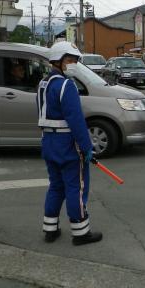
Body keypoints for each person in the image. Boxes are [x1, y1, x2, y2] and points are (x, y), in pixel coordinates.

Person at [38, 41, 102, 246]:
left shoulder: (43, 84)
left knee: (56, 186)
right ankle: (81, 233)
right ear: (57, 61)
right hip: (67, 144)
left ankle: (50, 229)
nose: (73, 63)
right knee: (76, 187)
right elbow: (76, 121)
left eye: (75, 60)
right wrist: (86, 147)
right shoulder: (67, 85)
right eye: (69, 59)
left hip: (48, 142)